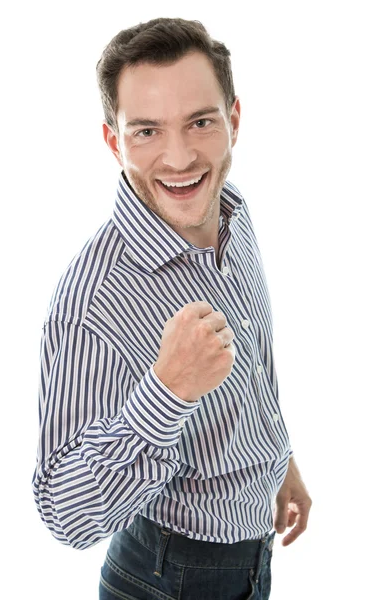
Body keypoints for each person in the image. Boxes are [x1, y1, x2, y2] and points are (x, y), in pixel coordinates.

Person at [32, 17, 312, 600]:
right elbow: (63, 512)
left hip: (254, 552)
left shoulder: (233, 213)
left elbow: (255, 363)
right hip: (167, 577)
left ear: (233, 121)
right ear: (115, 142)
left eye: (200, 122)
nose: (180, 158)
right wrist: (168, 391)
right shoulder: (93, 299)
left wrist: (279, 460)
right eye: (147, 132)